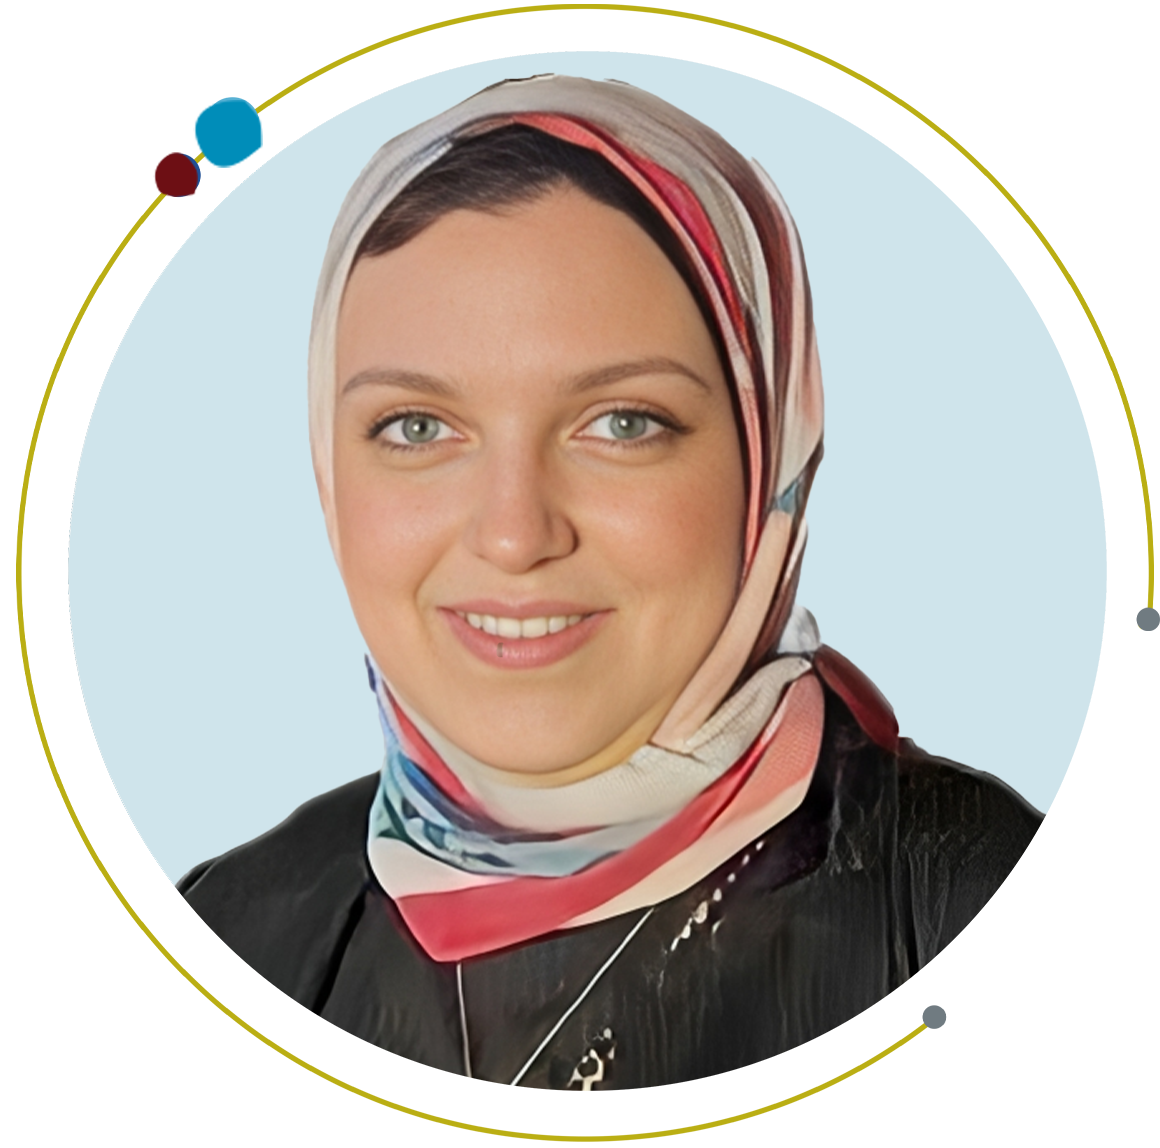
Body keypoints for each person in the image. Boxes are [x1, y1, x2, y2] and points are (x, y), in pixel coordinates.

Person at [179, 75, 1042, 1090]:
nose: (513, 535)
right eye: (416, 426)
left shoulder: (986, 907)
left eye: (623, 423)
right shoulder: (226, 932)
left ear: (770, 456)